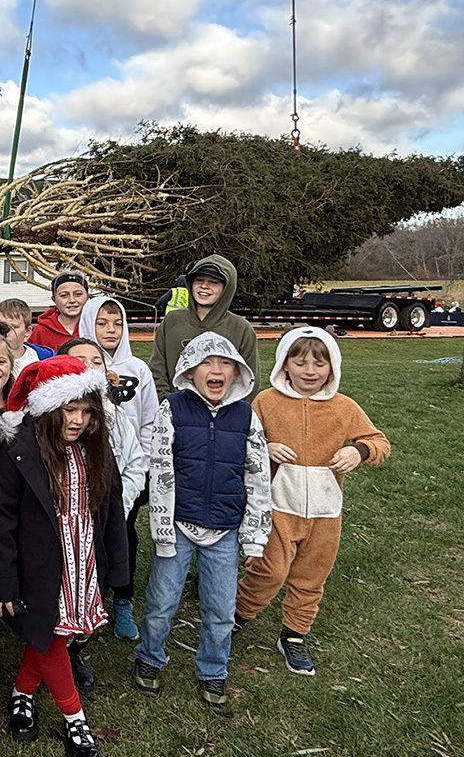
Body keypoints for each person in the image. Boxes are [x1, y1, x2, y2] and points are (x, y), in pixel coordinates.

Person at [0, 356, 128, 756]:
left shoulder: (94, 448)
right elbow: (0, 521)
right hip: (41, 563)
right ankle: (75, 720)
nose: (78, 420)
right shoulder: (20, 450)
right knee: (50, 634)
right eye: (70, 409)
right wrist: (4, 582)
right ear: (49, 407)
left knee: (59, 634)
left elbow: (111, 508)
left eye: (86, 411)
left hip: (83, 556)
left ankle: (21, 693)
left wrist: (116, 566)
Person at [234, 328, 390, 675]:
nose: (309, 370)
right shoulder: (266, 402)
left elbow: (379, 442)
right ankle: (238, 615)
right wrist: (266, 449)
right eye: (300, 361)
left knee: (310, 575)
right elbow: (244, 440)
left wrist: (358, 450)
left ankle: (294, 634)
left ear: (332, 367)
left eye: (319, 363)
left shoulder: (344, 407)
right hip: (278, 506)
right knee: (269, 570)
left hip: (325, 510)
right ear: (284, 365)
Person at [133, 333, 271, 709]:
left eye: (225, 363)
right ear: (190, 370)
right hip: (178, 525)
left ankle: (213, 669)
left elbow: (258, 477)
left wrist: (254, 537)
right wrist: (162, 531)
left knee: (221, 609)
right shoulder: (173, 409)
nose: (216, 370)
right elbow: (160, 470)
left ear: (237, 372)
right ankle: (149, 657)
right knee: (162, 601)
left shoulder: (245, 416)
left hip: (225, 530)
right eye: (207, 363)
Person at [57, 337, 147, 693]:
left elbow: (135, 463)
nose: (89, 365)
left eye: (96, 360)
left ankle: (77, 646)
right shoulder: (53, 419)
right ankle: (55, 649)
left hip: (104, 517)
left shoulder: (116, 417)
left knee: (92, 582)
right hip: (65, 523)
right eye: (79, 360)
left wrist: (116, 508)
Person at [78, 296, 159, 639]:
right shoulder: (77, 371)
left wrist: (142, 463)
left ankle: (122, 599)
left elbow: (149, 419)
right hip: (87, 480)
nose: (110, 330)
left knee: (124, 535)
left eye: (117, 323)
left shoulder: (137, 369)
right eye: (102, 323)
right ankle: (88, 597)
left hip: (128, 473)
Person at [148, 255, 260, 399]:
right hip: (176, 412)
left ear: (227, 288)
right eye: (199, 280)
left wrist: (229, 412)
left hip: (223, 415)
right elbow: (157, 368)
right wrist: (168, 403)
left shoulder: (240, 328)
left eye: (213, 282)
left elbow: (250, 379)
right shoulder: (172, 321)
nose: (204, 286)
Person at [0, 298, 55, 380]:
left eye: (13, 327)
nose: (5, 331)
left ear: (27, 332)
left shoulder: (43, 358)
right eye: (0, 326)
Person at [27, 271, 90, 351]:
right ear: (54, 299)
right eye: (64, 295)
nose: (72, 300)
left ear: (88, 297)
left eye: (78, 294)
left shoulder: (95, 327)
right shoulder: (41, 331)